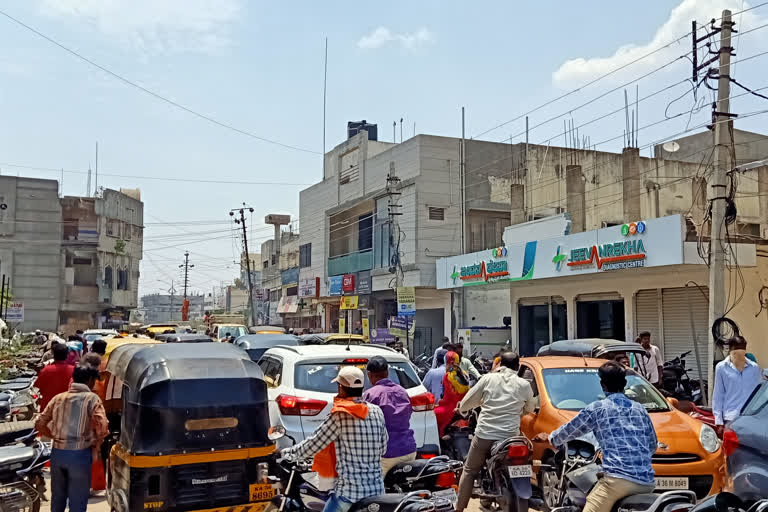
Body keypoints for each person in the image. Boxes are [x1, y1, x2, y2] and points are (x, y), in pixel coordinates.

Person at [535, 362, 657, 512]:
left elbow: (569, 431)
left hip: (617, 482)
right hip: (647, 482)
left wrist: (551, 438)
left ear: (602, 385)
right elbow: (652, 445)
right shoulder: (640, 409)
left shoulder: (597, 409)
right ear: (625, 383)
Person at [282, 366, 387, 512]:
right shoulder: (377, 412)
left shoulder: (340, 415)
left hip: (349, 494)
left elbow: (313, 444)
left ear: (341, 388)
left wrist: (286, 454)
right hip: (376, 491)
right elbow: (383, 448)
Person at [455, 351, 535, 512]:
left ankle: (459, 508)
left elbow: (466, 403)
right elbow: (530, 408)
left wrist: (465, 407)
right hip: (511, 437)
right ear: (517, 366)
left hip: (485, 434)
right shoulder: (524, 385)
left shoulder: (488, 379)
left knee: (469, 470)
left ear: (499, 364)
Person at [35, 365, 109, 512]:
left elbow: (39, 423)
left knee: (58, 500)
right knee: (77, 502)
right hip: (80, 454)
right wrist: (97, 443)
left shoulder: (58, 398)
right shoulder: (91, 398)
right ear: (89, 380)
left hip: (58, 453)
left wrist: (54, 435)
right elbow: (102, 425)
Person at [363, 356, 417, 475]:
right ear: (387, 372)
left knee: (375, 490)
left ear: (369, 375)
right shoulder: (402, 391)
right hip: (409, 449)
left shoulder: (370, 395)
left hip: (387, 454)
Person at [713, 336, 762, 429]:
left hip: (750, 418)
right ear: (731, 350)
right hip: (730, 418)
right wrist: (718, 420)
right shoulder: (721, 367)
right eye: (736, 351)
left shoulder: (754, 368)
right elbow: (718, 394)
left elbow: (758, 394)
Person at [434, 351, 470, 436]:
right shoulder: (465, 374)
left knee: (432, 414)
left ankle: (440, 437)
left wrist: (439, 403)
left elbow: (446, 398)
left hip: (450, 410)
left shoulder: (447, 376)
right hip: (463, 408)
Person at [35, 344, 75, 411]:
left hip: (48, 407)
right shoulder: (74, 370)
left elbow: (38, 387)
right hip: (68, 407)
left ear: (53, 354)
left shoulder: (46, 370)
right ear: (67, 355)